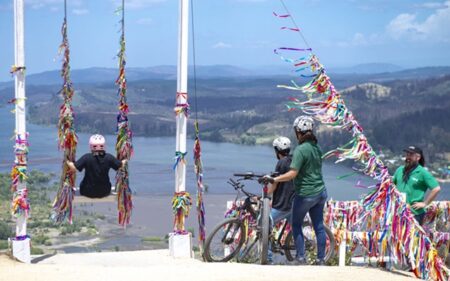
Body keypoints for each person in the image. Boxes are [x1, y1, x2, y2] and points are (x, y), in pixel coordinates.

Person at [262, 115, 327, 265]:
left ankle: (300, 257)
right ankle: (321, 260)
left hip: (306, 194)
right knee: (319, 226)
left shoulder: (300, 150)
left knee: (296, 225)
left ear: (298, 131)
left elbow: (292, 174)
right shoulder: (317, 148)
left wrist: (275, 179)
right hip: (321, 192)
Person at [67, 134, 127, 198]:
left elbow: (73, 168)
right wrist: (125, 159)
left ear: (91, 146)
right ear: (104, 146)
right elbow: (121, 165)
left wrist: (67, 161)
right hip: (105, 191)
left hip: (87, 191)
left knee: (83, 184)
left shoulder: (86, 157)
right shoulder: (109, 157)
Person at [392, 145, 441, 225]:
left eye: (411, 155)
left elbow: (436, 188)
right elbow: (392, 186)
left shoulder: (422, 172)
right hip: (398, 212)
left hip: (414, 214)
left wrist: (425, 203)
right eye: (407, 154)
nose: (408, 157)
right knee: (398, 237)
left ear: (418, 157)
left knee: (412, 237)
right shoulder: (400, 170)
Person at [266, 136, 295, 264]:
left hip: (282, 205)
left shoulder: (281, 163)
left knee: (265, 225)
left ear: (277, 150)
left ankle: (268, 259)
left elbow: (274, 184)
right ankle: (303, 254)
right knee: (297, 229)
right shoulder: (294, 160)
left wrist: (263, 194)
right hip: (294, 203)